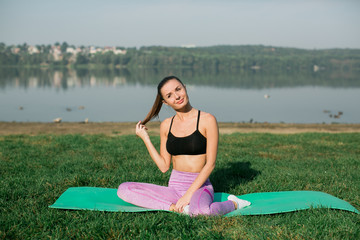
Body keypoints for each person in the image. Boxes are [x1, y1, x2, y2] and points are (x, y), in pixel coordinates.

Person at [117, 76, 250, 216]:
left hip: (200, 186)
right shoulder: (166, 125)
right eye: (169, 95)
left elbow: (210, 164)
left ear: (185, 88)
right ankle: (173, 207)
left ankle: (234, 203)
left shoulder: (207, 120)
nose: (177, 96)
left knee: (201, 212)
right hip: (174, 187)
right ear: (166, 102)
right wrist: (145, 138)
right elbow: (164, 167)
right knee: (124, 189)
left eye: (178, 89)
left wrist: (187, 196)